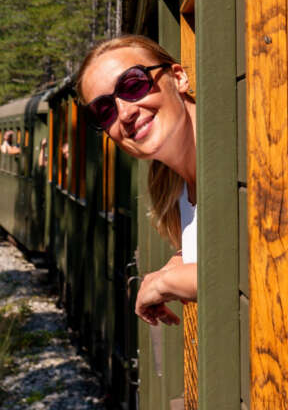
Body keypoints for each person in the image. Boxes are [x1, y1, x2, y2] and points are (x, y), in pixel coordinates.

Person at [74, 34, 197, 326]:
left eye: (133, 85)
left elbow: (259, 267)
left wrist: (163, 284)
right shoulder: (176, 192)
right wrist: (181, 261)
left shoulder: (243, 152)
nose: (125, 112)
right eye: (105, 111)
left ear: (178, 77)